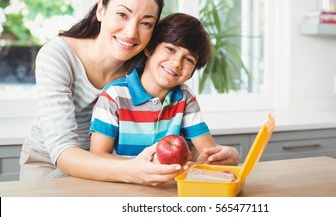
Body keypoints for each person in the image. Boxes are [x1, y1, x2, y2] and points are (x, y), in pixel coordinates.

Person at [19, 0, 185, 185]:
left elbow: (177, 107)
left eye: (146, 23)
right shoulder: (58, 56)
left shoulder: (142, 66)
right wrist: (131, 170)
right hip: (50, 161)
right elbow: (63, 152)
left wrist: (210, 153)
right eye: (122, 15)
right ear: (101, 10)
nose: (131, 32)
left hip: (113, 161)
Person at [89, 13, 240, 167]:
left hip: (167, 188)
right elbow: (98, 156)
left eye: (189, 59)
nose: (176, 63)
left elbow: (208, 152)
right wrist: (142, 168)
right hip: (123, 187)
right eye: (170, 49)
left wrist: (226, 156)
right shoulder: (114, 95)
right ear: (149, 48)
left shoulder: (184, 98)